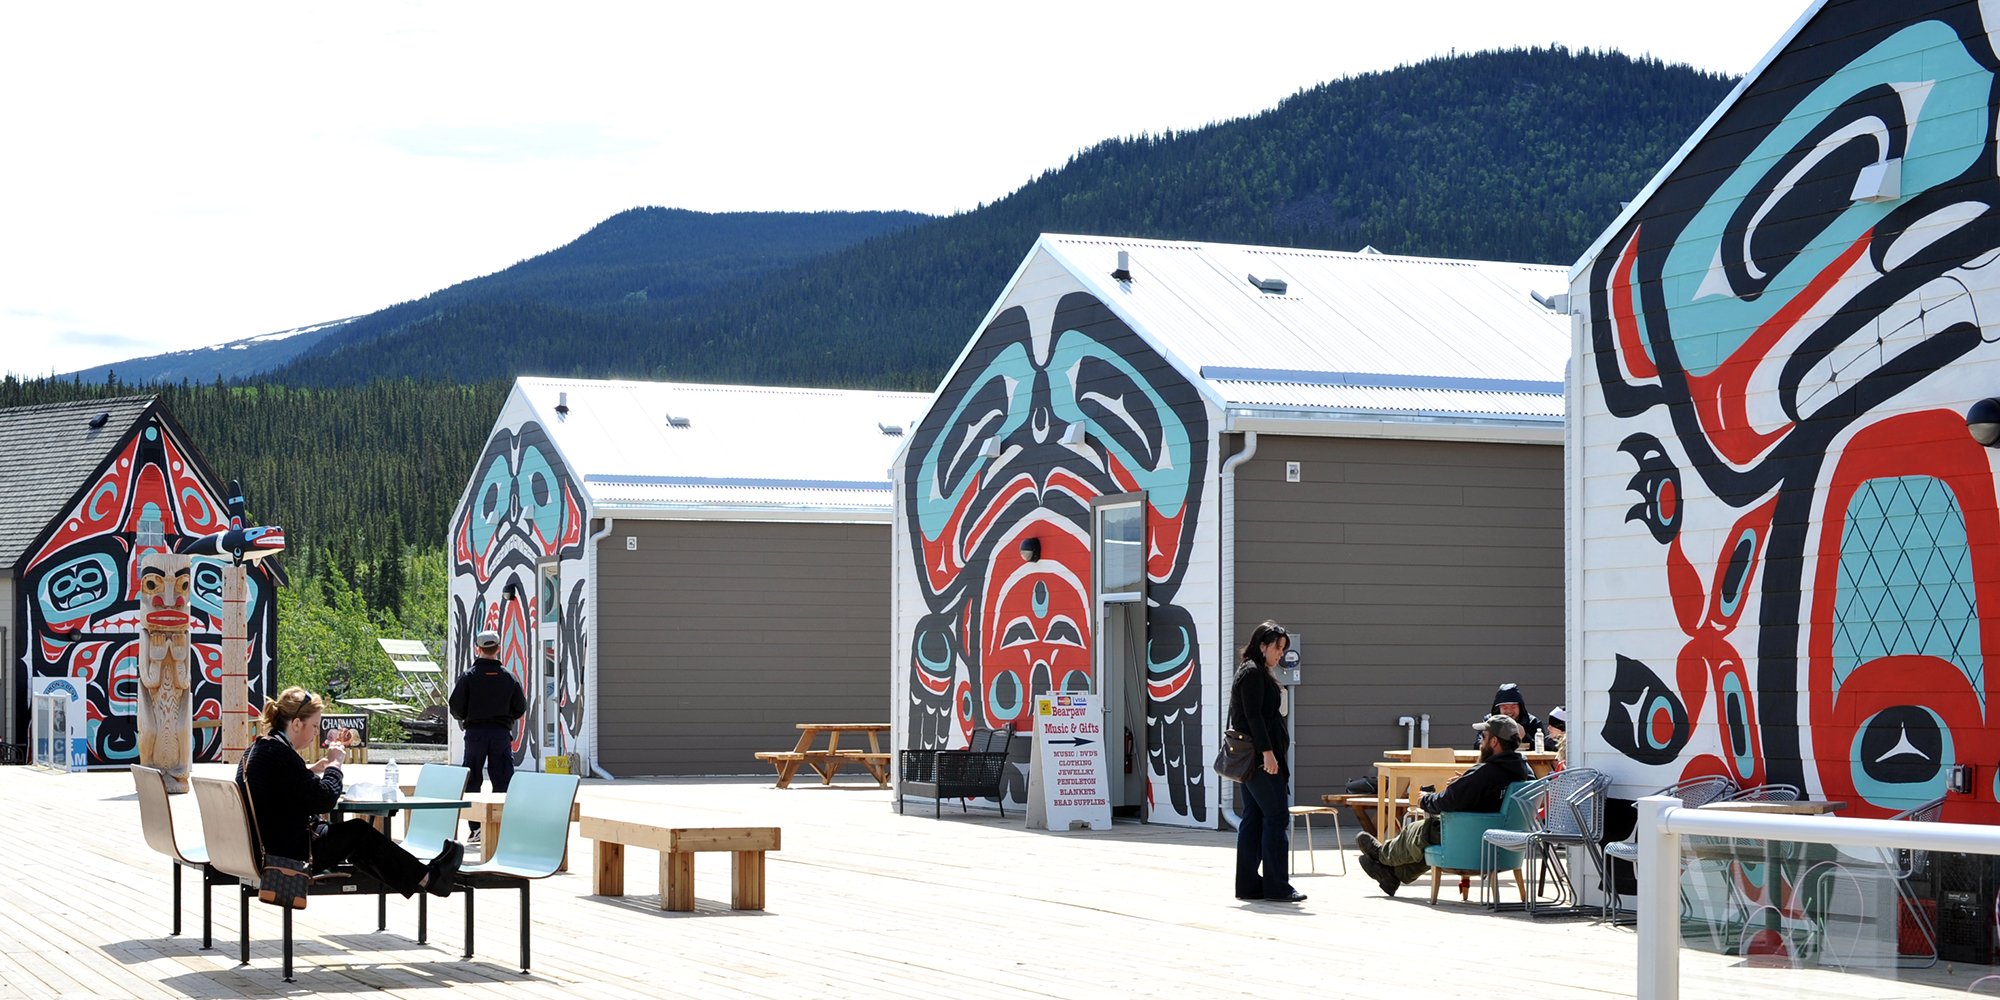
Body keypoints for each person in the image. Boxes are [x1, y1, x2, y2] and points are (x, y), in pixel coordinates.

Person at [236, 686, 462, 896]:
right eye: (314, 726)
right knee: (358, 833)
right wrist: (335, 765)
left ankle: (422, 876)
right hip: (289, 855)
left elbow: (285, 789)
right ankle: (429, 879)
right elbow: (324, 799)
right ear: (296, 724)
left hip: (266, 847)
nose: (316, 733)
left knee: (357, 840)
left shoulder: (259, 749)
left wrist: (311, 771)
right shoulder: (280, 755)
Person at [1354, 713, 1534, 895]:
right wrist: (1466, 783)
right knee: (1432, 839)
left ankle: (1382, 855)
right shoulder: (1525, 771)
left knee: (1421, 830)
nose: (1481, 741)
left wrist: (1424, 799)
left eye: (1484, 737)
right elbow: (1492, 794)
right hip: (1506, 845)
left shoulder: (1485, 773)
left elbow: (1447, 801)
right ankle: (1393, 875)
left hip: (1471, 841)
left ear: (1494, 742)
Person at [1230, 620, 1306, 904]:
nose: (1280, 655)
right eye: (1277, 649)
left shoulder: (1254, 671)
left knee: (1254, 818)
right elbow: (1254, 717)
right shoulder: (1252, 673)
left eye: (1283, 649)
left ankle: (1249, 884)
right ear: (1262, 646)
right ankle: (1277, 885)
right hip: (1261, 759)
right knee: (1275, 817)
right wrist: (1268, 753)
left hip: (1253, 759)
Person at [451, 628, 528, 846]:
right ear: (498, 648)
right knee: (503, 778)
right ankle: (501, 825)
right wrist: (506, 719)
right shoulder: (508, 677)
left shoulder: (468, 677)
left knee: (473, 778)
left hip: (475, 732)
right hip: (500, 733)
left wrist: (468, 717)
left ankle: (475, 828)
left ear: (478, 649)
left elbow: (455, 707)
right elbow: (520, 707)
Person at [1490, 682, 1546, 750]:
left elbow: (1544, 749)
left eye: (1513, 707)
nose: (1509, 711)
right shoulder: (1489, 721)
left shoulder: (1533, 723)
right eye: (1505, 708)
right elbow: (1477, 745)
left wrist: (1525, 737)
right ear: (1498, 709)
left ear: (1520, 707)